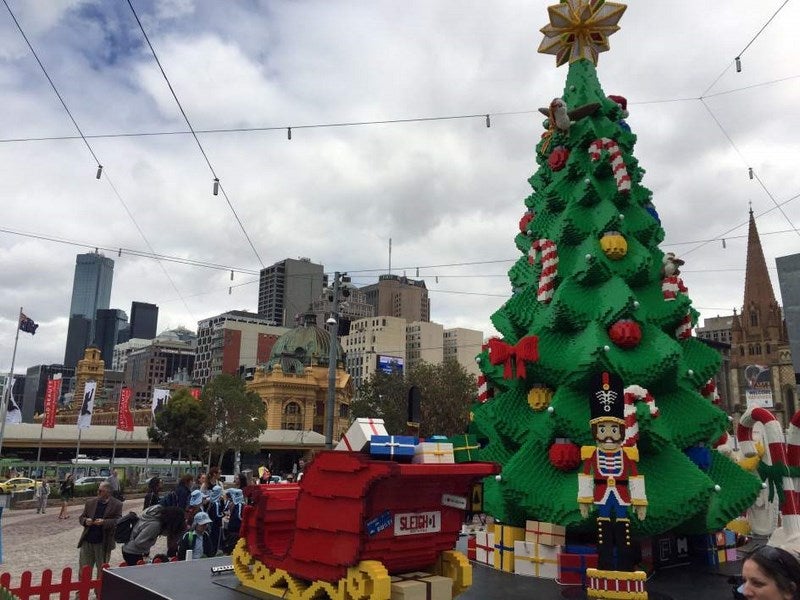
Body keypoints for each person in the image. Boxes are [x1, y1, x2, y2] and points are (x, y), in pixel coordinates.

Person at [76, 482, 123, 577]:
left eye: (100, 491)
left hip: (103, 543)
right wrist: (85, 521)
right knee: (84, 569)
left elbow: (118, 521)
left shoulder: (117, 504)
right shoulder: (90, 502)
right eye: (98, 490)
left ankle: (99, 591)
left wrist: (104, 522)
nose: (98, 492)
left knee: (102, 570)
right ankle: (82, 591)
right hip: (87, 540)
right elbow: (82, 517)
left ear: (108, 492)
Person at [121, 505, 186, 566]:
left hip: (131, 550)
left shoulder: (155, 519)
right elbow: (139, 542)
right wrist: (152, 541)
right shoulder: (155, 525)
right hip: (133, 552)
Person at [222, 488, 245, 554]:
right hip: (233, 531)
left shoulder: (239, 505)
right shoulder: (236, 504)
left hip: (236, 531)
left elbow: (239, 517)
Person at [206, 485, 225, 557]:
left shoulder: (212, 501)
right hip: (216, 525)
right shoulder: (216, 503)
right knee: (216, 540)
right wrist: (223, 514)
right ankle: (213, 553)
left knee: (213, 538)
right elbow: (217, 515)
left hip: (211, 523)